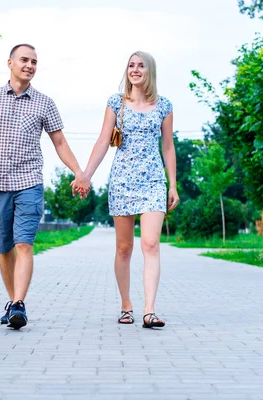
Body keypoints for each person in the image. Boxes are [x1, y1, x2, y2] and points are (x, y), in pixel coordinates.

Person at [0, 44, 90, 329]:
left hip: (29, 181)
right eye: (24, 60)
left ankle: (18, 304)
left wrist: (78, 171)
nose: (29, 65)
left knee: (23, 243)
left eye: (34, 62)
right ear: (10, 63)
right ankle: (13, 302)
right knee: (4, 247)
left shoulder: (45, 103)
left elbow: (60, 142)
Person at [72, 51, 179, 329]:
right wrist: (85, 175)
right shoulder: (116, 102)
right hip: (122, 181)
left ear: (150, 71)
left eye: (141, 65)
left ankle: (149, 310)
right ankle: (126, 305)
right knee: (123, 248)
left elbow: (168, 147)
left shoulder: (164, 105)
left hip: (153, 181)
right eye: (131, 65)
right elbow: (102, 141)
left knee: (151, 243)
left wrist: (173, 184)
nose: (135, 70)